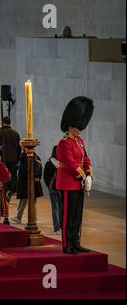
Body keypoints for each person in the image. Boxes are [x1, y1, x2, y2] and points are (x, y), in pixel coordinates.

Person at [56, 97, 94, 254]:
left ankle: (76, 242)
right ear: (70, 125)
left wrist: (89, 175)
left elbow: (86, 158)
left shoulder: (80, 142)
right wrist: (83, 177)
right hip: (67, 183)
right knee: (68, 217)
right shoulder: (64, 142)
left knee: (77, 216)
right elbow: (70, 163)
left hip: (78, 184)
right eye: (77, 127)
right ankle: (67, 244)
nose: (80, 130)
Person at [10, 148, 43, 224]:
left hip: (25, 182)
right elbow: (40, 168)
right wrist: (37, 176)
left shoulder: (23, 157)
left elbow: (24, 170)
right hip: (34, 182)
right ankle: (33, 219)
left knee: (23, 201)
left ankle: (18, 217)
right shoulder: (36, 156)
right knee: (33, 202)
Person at [0, 116, 21, 199]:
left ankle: (4, 192)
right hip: (13, 159)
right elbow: (18, 148)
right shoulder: (16, 134)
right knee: (11, 176)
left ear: (3, 122)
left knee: (2, 176)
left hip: (2, 159)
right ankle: (10, 190)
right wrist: (17, 160)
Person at [44, 145, 62, 235]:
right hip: (57, 189)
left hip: (56, 188)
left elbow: (45, 176)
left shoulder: (49, 162)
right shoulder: (59, 164)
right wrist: (49, 185)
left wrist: (48, 185)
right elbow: (46, 176)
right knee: (57, 209)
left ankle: (58, 228)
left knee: (58, 208)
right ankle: (57, 228)